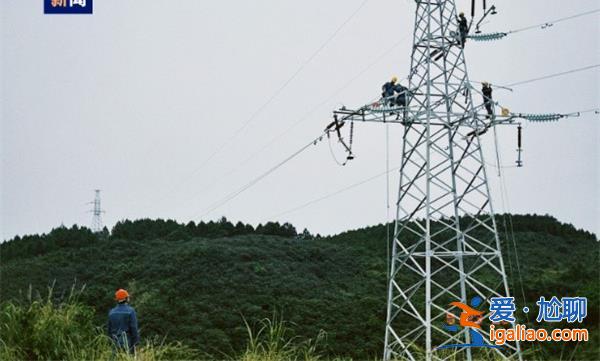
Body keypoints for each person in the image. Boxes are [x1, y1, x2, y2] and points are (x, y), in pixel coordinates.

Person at [108, 289, 139, 354]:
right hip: (127, 342)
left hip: (115, 343)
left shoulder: (111, 312)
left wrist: (110, 343)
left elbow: (109, 330)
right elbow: (134, 328)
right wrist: (136, 342)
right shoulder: (131, 311)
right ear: (126, 298)